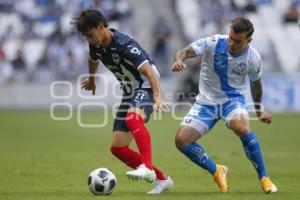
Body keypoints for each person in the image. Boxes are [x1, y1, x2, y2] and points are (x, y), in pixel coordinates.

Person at [72, 9, 173, 194]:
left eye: (90, 35)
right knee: (118, 148)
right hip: (129, 91)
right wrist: (92, 79)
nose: (89, 40)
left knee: (133, 119)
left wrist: (157, 97)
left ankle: (148, 168)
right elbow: (93, 59)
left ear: (101, 27)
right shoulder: (96, 44)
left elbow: (149, 72)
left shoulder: (124, 44)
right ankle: (162, 179)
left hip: (146, 85)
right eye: (86, 37)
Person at [172, 16, 277, 193]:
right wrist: (179, 60)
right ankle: (217, 170)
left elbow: (255, 83)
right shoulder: (213, 42)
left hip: (232, 100)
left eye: (237, 41)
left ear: (248, 40)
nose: (231, 43)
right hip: (206, 102)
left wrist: (259, 109)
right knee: (182, 141)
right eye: (230, 38)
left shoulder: (253, 58)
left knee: (242, 127)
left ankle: (264, 178)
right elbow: (185, 51)